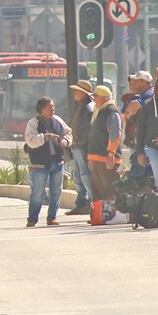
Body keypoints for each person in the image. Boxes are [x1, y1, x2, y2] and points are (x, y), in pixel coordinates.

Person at [23, 97, 72, 227]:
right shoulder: (33, 123)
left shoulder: (58, 121)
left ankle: (52, 217)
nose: (53, 109)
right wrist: (45, 137)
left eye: (53, 106)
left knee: (56, 192)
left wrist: (65, 141)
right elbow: (30, 141)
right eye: (50, 107)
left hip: (57, 162)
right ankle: (32, 219)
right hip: (40, 164)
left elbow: (68, 133)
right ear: (41, 109)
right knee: (37, 193)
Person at [87, 85, 123, 212]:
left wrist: (111, 153)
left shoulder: (112, 111)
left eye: (96, 96)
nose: (94, 99)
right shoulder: (99, 110)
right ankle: (98, 215)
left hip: (106, 158)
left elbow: (115, 134)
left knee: (109, 189)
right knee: (97, 189)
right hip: (96, 158)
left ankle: (111, 215)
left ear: (103, 98)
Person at [65, 81, 95, 215]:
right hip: (76, 145)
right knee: (77, 175)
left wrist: (80, 143)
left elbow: (88, 130)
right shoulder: (80, 106)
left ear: (84, 93)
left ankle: (92, 202)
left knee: (84, 175)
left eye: (77, 91)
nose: (74, 93)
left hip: (81, 147)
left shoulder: (88, 108)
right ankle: (81, 203)